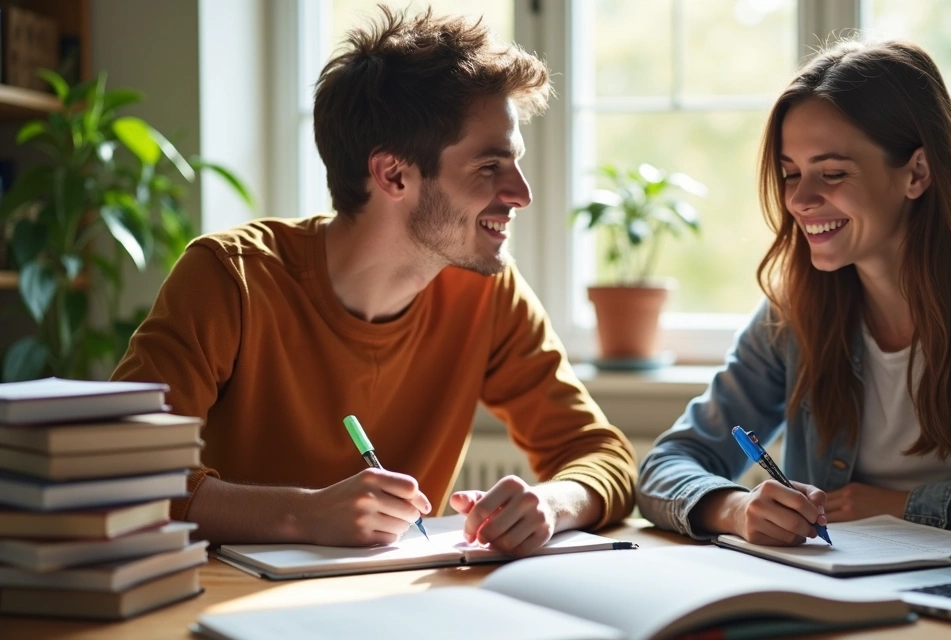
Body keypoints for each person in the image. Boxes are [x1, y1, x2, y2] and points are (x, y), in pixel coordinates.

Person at [112, 7, 636, 555]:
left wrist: (551, 504)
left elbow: (604, 458)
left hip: (398, 594)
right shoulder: (230, 278)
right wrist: (305, 515)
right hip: (229, 596)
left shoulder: (488, 291)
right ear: (393, 174)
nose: (521, 194)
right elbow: (123, 469)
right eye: (489, 166)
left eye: (515, 163)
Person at [636, 39, 951, 544]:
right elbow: (664, 466)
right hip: (838, 582)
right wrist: (734, 509)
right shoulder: (794, 310)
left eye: (832, 173)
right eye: (791, 174)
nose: (800, 200)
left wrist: (901, 507)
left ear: (917, 173)